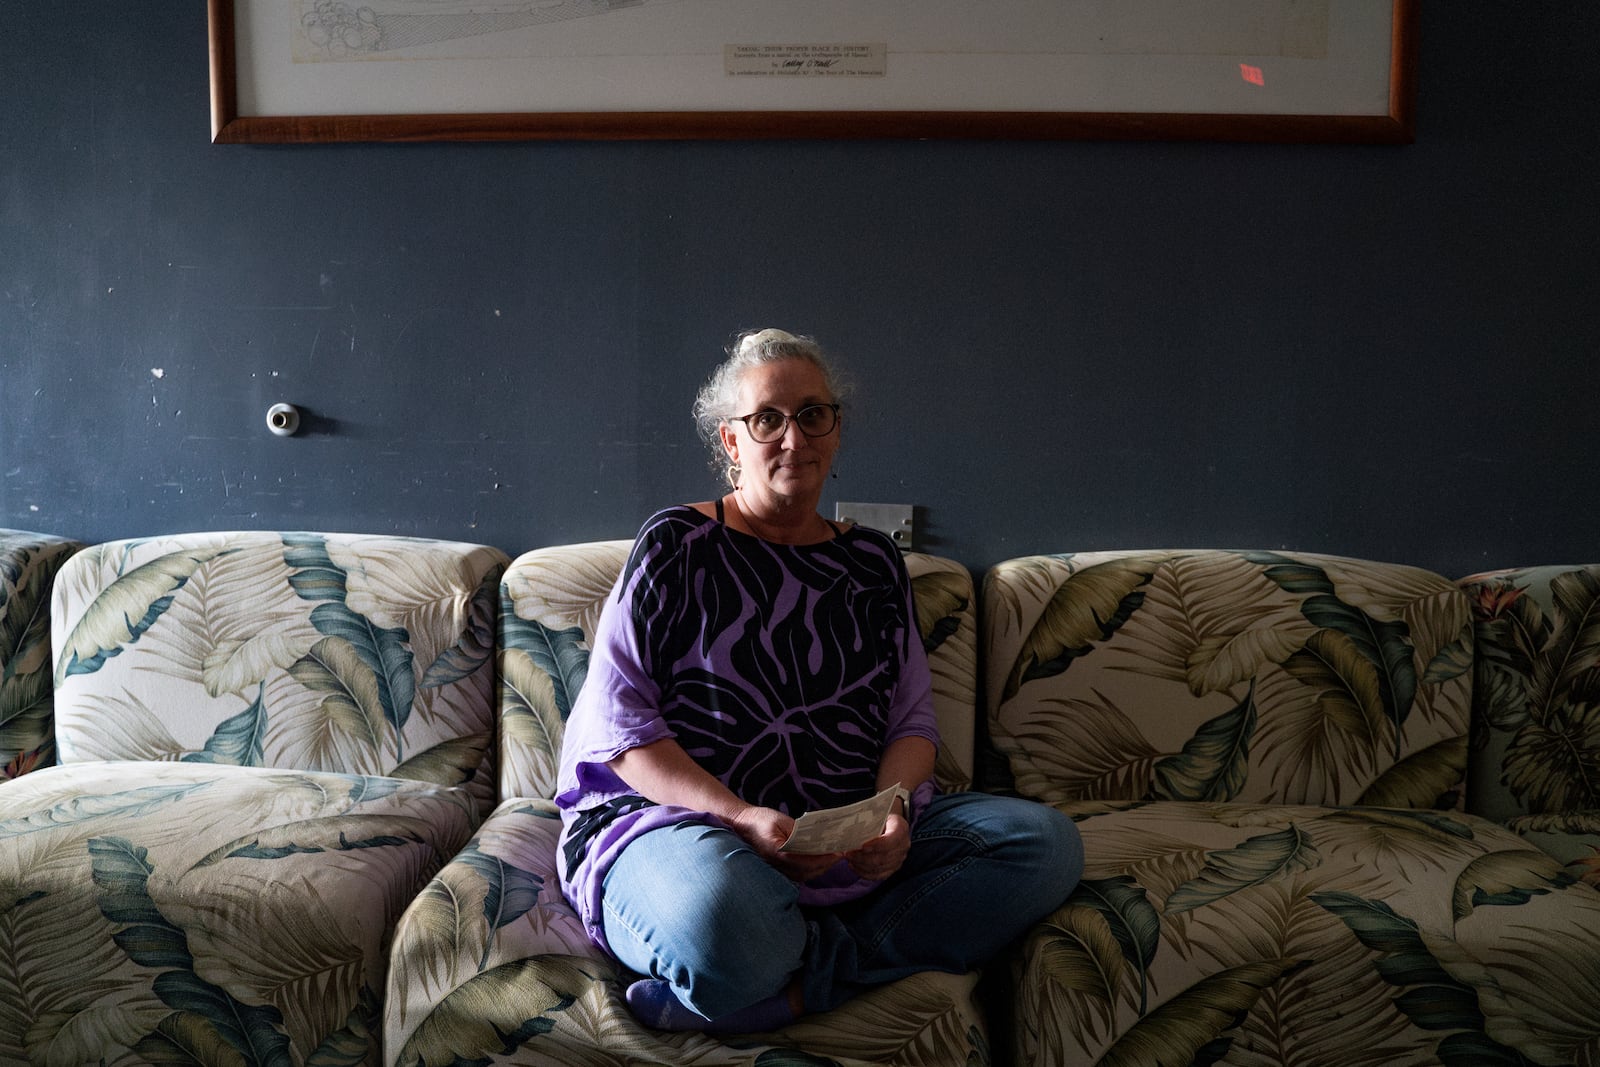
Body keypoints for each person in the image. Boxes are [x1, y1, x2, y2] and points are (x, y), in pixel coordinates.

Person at [554, 327, 1083, 1033]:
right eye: (767, 419)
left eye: (813, 415)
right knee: (723, 920)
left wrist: (890, 811)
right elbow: (621, 731)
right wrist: (739, 816)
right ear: (731, 442)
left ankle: (791, 988)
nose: (793, 438)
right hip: (678, 826)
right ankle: (793, 959)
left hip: (843, 841)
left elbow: (911, 724)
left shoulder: (871, 562)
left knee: (1043, 845)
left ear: (836, 432)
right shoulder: (675, 546)